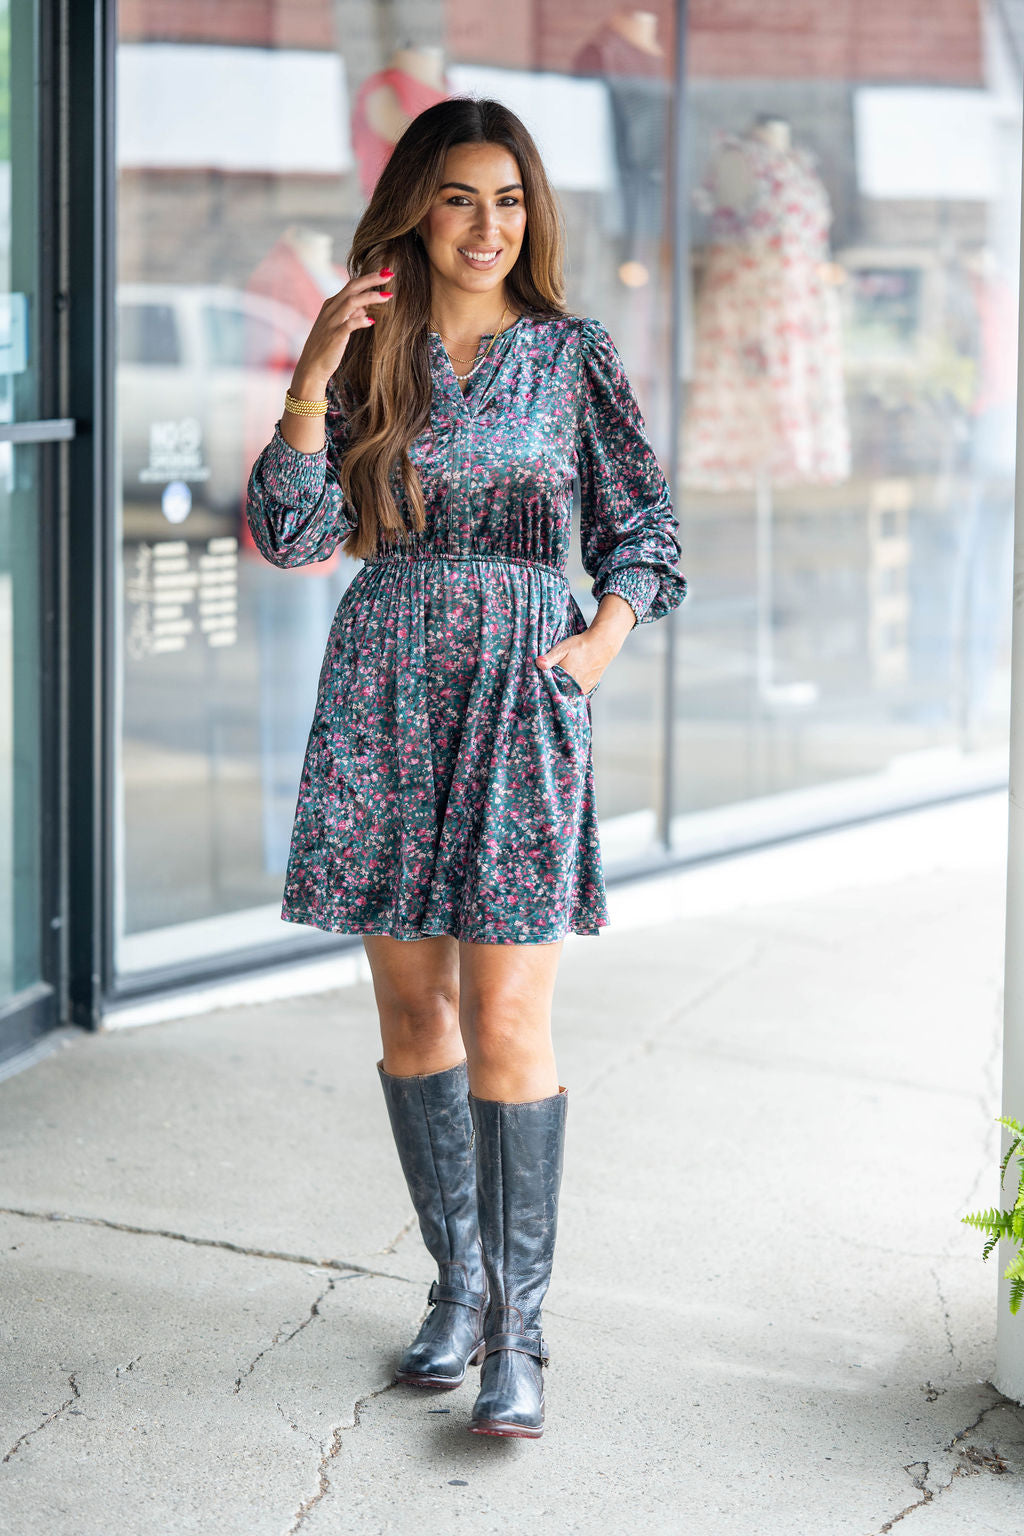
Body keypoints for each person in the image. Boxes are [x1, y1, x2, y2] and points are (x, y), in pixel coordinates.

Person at [245, 96, 686, 1439]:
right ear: (415, 211)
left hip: (521, 695)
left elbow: (646, 527)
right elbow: (293, 531)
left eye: (508, 199)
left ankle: (519, 1336)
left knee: (506, 1015)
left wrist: (595, 646)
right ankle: (460, 1287)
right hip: (385, 688)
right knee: (413, 1012)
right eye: (457, 198)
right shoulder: (368, 352)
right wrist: (311, 376)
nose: (486, 226)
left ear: (530, 214)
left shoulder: (570, 354)